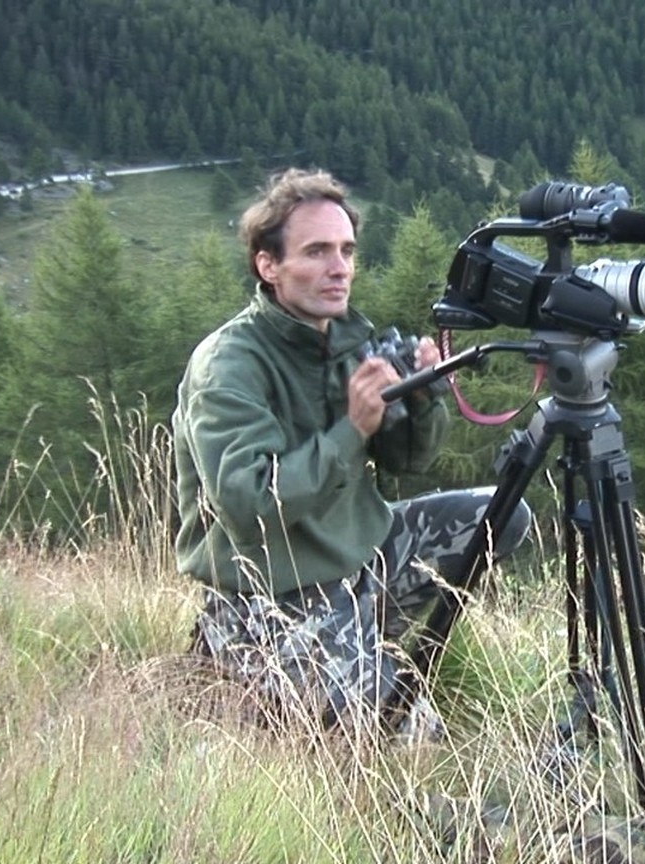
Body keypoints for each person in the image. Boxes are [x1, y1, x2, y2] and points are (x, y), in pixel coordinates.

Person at [172, 167, 531, 734]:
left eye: (346, 251)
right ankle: (243, 655)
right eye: (316, 251)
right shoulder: (229, 366)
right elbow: (246, 507)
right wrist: (350, 429)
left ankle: (358, 634)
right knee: (412, 735)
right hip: (276, 589)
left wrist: (421, 396)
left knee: (504, 514)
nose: (339, 268)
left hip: (360, 560)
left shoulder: (342, 339)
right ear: (269, 265)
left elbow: (405, 463)